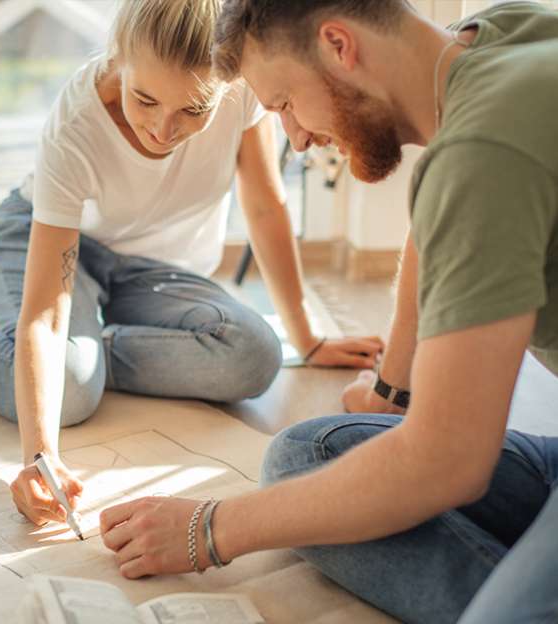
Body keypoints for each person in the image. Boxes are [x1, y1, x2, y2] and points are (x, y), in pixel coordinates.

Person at [0, 0, 381, 527]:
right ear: (119, 59)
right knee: (69, 392)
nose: (161, 127)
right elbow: (47, 313)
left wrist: (307, 334)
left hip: (147, 269)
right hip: (39, 238)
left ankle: (68, 347)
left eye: (193, 110)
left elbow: (265, 203)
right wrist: (38, 454)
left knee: (256, 356)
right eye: (145, 98)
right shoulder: (76, 124)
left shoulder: (244, 88)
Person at [100, 2, 558, 622]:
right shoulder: (498, 39)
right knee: (302, 464)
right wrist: (391, 393)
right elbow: (437, 231)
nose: (296, 137)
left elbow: (448, 461)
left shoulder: (482, 150)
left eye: (285, 102)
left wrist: (208, 529)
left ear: (339, 45)